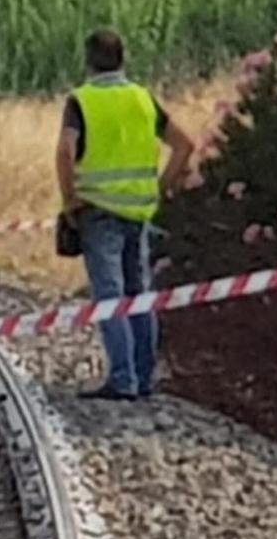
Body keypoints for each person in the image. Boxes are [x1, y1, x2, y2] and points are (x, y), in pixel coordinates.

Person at [56, 30, 194, 401]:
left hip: (97, 212)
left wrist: (70, 202)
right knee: (140, 294)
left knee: (109, 295)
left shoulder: (81, 101)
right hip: (139, 211)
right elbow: (184, 145)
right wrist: (161, 188)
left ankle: (122, 379)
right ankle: (144, 378)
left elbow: (66, 153)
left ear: (88, 59)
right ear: (122, 58)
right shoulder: (142, 98)